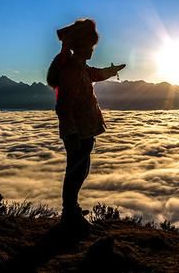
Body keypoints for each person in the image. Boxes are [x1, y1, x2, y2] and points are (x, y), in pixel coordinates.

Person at [46, 18, 125, 226]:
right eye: (90, 46)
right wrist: (71, 134)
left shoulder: (79, 67)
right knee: (75, 171)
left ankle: (72, 211)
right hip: (77, 132)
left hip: (83, 131)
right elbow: (64, 106)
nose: (92, 50)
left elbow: (95, 74)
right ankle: (70, 214)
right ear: (81, 46)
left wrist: (112, 70)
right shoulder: (72, 71)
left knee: (79, 170)